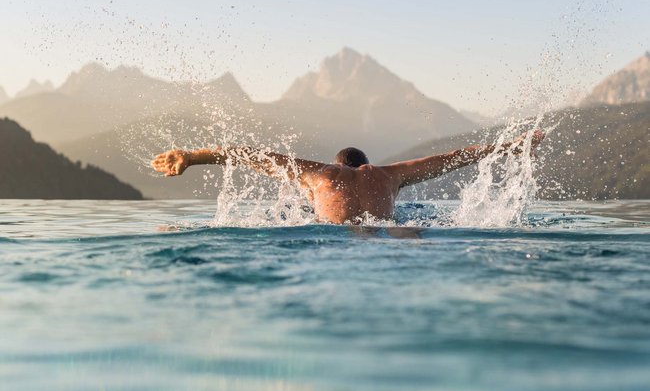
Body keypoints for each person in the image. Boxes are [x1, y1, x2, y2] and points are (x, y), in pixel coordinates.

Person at [151, 130, 544, 224]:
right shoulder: (388, 176)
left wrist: (192, 156)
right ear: (363, 166)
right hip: (385, 238)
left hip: (328, 240)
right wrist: (511, 145)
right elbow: (453, 158)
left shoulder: (318, 175)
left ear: (338, 166)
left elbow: (251, 156)